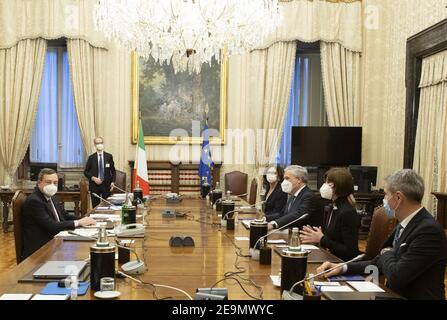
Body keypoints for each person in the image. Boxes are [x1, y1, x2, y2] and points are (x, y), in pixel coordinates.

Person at [316, 169, 447, 300]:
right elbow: (378, 262)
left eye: (385, 195)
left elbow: (397, 277)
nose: (384, 200)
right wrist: (342, 267)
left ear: (398, 197)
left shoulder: (428, 231)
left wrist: (387, 253)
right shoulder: (405, 223)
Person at [22, 168, 96, 260]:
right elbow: (52, 226)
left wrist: (85, 219)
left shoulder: (51, 197)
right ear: (39, 183)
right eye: (48, 182)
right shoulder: (34, 201)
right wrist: (79, 222)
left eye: (55, 183)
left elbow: (64, 216)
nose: (52, 186)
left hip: (54, 242)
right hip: (40, 251)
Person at [300, 168, 360, 261]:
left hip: (340, 264)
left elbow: (350, 252)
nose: (324, 186)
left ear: (338, 186)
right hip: (329, 258)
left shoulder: (347, 212)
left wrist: (321, 239)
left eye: (328, 183)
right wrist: (316, 236)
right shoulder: (333, 207)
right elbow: (333, 239)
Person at [267, 165, 322, 231]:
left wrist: (274, 224)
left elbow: (298, 215)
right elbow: (283, 214)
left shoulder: (308, 196)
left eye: (287, 178)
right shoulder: (293, 195)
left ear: (299, 180)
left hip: (305, 237)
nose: (284, 182)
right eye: (284, 179)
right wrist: (263, 219)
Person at [84, 137, 116, 208]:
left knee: (107, 206)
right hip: (94, 186)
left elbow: (113, 171)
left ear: (103, 144)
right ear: (95, 145)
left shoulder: (109, 156)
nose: (100, 145)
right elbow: (86, 172)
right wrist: (93, 178)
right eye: (97, 143)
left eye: (101, 143)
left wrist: (113, 182)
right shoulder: (91, 157)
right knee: (96, 207)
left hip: (106, 185)